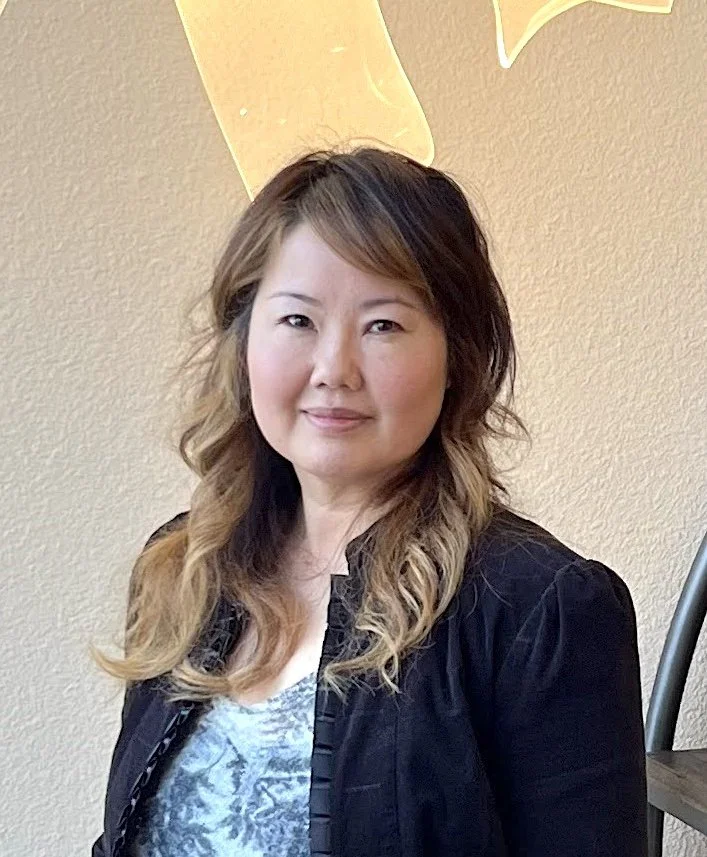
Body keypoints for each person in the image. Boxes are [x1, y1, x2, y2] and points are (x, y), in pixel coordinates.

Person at [90, 146, 647, 857]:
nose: (333, 370)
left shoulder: (541, 610)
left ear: (457, 356)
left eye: (382, 324)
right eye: (297, 320)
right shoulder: (185, 565)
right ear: (243, 340)